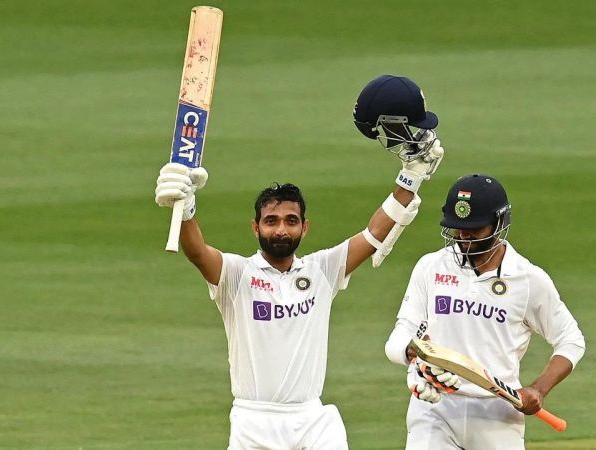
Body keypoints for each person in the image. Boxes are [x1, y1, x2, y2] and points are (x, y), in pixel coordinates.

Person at [155, 75, 446, 449]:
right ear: (255, 227)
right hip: (253, 421)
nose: (280, 229)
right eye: (271, 221)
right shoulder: (236, 275)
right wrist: (186, 207)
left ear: (304, 227)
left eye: (290, 221)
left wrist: (412, 176)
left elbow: (374, 234)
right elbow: (197, 251)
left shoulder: (321, 271)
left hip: (312, 419)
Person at [384, 174, 586, 450]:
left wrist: (538, 389)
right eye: (457, 229)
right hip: (435, 408)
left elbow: (571, 340)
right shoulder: (430, 267)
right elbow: (403, 331)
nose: (462, 238)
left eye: (474, 230)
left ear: (499, 223)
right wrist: (415, 358)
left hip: (498, 414)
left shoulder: (527, 279)